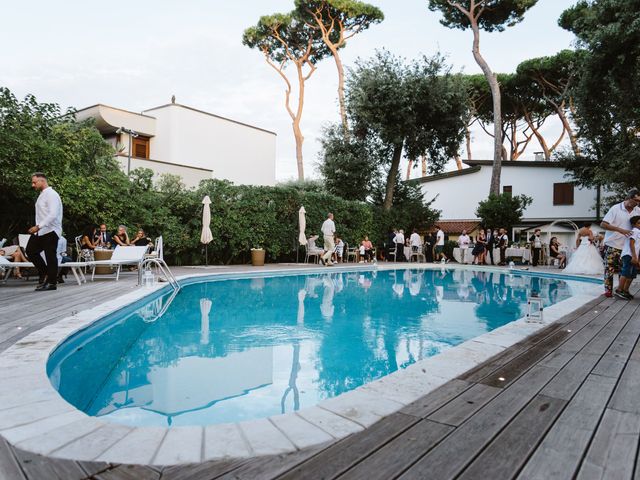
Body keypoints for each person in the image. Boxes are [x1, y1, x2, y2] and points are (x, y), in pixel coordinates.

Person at [25, 173, 63, 291]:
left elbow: (53, 214)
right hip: (42, 231)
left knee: (50, 256)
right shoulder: (42, 195)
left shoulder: (51, 194)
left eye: (34, 182)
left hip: (51, 230)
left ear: (42, 181)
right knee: (30, 251)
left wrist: (38, 226)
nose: (33, 185)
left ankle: (52, 283)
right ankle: (47, 274)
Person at [601, 189, 640, 297]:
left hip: (628, 247)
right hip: (613, 244)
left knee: (625, 271)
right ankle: (608, 291)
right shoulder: (616, 208)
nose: (637, 203)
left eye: (639, 201)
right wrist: (621, 230)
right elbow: (603, 224)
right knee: (609, 269)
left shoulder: (637, 210)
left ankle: (621, 291)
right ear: (628, 198)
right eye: (636, 200)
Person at [616, 215, 640, 299]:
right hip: (628, 255)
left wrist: (637, 258)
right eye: (638, 223)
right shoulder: (635, 231)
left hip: (633, 256)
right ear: (633, 224)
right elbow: (631, 243)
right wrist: (634, 256)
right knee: (626, 272)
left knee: (632, 274)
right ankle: (619, 290)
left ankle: (625, 290)